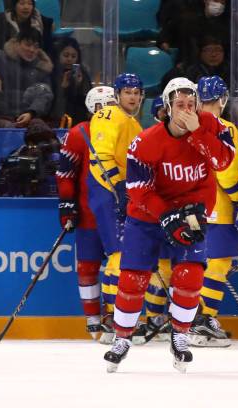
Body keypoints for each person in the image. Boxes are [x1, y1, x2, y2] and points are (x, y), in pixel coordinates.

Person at [103, 77, 235, 373]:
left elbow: (223, 161)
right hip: (147, 217)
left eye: (191, 104)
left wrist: (198, 132)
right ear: (167, 107)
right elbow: (137, 188)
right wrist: (165, 216)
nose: (186, 110)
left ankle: (181, 336)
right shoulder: (146, 141)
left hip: (192, 214)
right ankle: (122, 338)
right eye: (180, 105)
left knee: (190, 277)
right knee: (133, 279)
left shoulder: (211, 126)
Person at [188, 76, 238, 347]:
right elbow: (227, 171)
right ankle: (201, 320)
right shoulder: (225, 128)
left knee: (193, 265)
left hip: (189, 206)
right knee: (219, 264)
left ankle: (188, 318)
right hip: (218, 207)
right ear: (223, 99)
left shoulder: (184, 125)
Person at [55, 86, 117, 343]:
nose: (106, 110)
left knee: (119, 266)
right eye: (102, 106)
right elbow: (65, 173)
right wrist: (67, 205)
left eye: (111, 104)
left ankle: (114, 316)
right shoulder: (78, 133)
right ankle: (93, 318)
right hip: (90, 213)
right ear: (93, 108)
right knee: (88, 266)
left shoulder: (124, 128)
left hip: (118, 213)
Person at [87, 73, 144, 343]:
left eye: (136, 92)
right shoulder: (108, 115)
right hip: (109, 192)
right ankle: (112, 317)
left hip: (123, 193)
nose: (132, 96)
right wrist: (119, 188)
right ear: (117, 94)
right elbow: (101, 156)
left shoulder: (131, 121)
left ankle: (116, 316)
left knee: (122, 254)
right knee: (119, 254)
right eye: (127, 92)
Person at [0, 28, 53, 128]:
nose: (32, 50)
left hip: (27, 119)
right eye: (28, 45)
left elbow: (45, 95)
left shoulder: (41, 69)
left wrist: (31, 113)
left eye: (36, 47)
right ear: (17, 44)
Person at [50, 38, 93, 126]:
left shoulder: (82, 74)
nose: (69, 59)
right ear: (58, 55)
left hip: (79, 124)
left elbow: (88, 105)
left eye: (73, 56)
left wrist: (79, 85)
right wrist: (63, 88)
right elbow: (55, 110)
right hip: (57, 123)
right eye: (66, 55)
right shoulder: (52, 74)